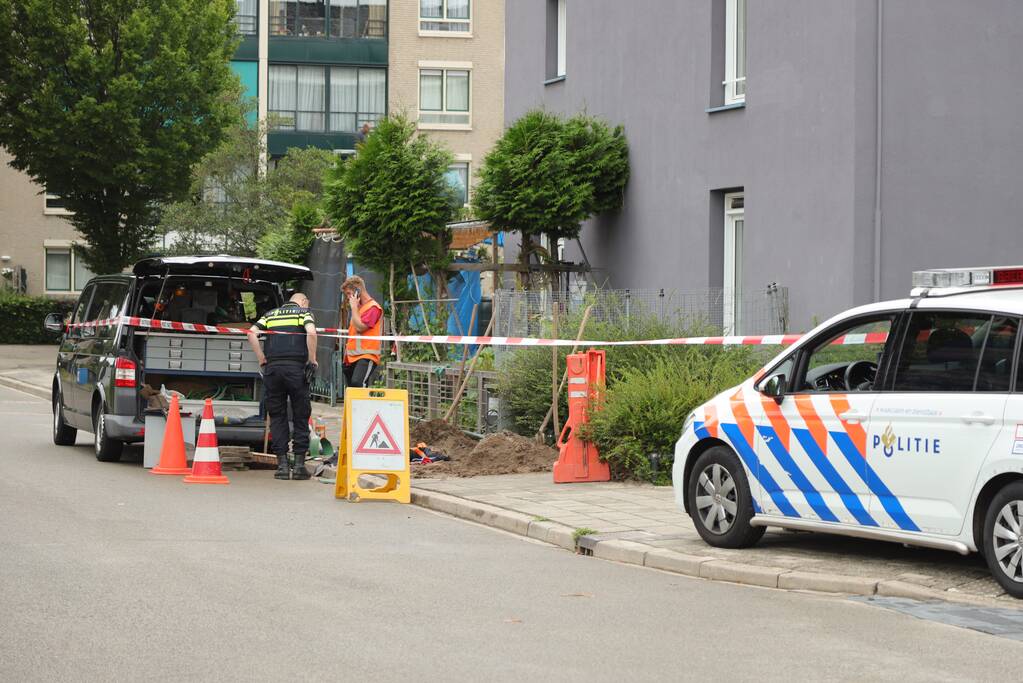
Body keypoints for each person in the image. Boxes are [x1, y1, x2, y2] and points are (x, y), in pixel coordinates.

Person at [246, 293, 318, 481]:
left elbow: (251, 333)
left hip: (273, 370)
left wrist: (261, 358)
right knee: (301, 415)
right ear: (303, 301)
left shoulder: (270, 315)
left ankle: (282, 466)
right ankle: (300, 466)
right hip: (296, 370)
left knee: (277, 416)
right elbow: (311, 332)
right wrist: (312, 360)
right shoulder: (304, 313)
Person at [340, 276, 382, 389]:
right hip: (352, 356)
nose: (348, 298)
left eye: (349, 293)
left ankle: (363, 406)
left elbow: (360, 328)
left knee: (358, 383)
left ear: (358, 289)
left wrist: (354, 308)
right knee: (352, 388)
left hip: (367, 355)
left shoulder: (373, 308)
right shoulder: (358, 308)